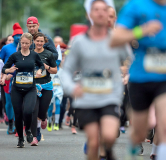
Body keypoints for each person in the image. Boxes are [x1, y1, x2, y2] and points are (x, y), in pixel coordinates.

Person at [60, 1, 132, 159]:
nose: (100, 13)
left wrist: (127, 74)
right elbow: (66, 71)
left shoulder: (117, 40)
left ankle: (107, 151)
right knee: (93, 142)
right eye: (96, 10)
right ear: (89, 15)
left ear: (109, 16)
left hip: (110, 97)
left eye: (104, 10)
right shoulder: (79, 41)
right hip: (87, 99)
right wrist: (72, 88)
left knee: (109, 136)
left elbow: (132, 61)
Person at [110, 0, 166, 159]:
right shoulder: (135, 6)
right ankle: (132, 149)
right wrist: (141, 31)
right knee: (142, 130)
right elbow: (115, 38)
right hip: (141, 77)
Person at [2, 33, 44, 148]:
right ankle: (20, 138)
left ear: (31, 43)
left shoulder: (34, 55)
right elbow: (4, 68)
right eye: (22, 43)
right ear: (20, 43)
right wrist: (8, 70)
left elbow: (41, 66)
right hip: (16, 89)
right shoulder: (15, 55)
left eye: (26, 43)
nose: (24, 45)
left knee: (28, 111)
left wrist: (39, 71)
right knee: (18, 114)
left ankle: (29, 130)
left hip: (30, 88)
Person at [30, 32, 57, 146]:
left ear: (44, 42)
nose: (39, 43)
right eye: (37, 41)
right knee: (34, 111)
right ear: (34, 42)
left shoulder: (49, 54)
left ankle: (43, 118)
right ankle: (35, 136)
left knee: (42, 111)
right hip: (33, 86)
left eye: (41, 41)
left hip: (46, 85)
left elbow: (55, 70)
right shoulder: (30, 54)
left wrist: (47, 67)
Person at [0, 23, 23, 135]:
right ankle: (11, 123)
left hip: (22, 77)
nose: (19, 37)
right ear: (13, 37)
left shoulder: (25, 47)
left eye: (21, 35)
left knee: (21, 101)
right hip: (9, 77)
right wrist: (2, 75)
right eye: (17, 35)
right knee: (9, 102)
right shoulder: (6, 48)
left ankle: (19, 124)